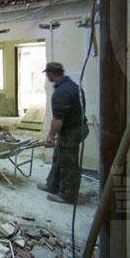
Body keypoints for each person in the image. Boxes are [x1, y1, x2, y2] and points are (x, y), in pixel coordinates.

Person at [38, 62, 89, 204]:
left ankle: (67, 195)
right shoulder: (73, 86)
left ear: (50, 73)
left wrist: (50, 137)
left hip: (72, 131)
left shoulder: (61, 93)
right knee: (58, 157)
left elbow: (58, 120)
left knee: (68, 164)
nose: (47, 76)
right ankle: (53, 185)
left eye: (47, 73)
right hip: (74, 127)